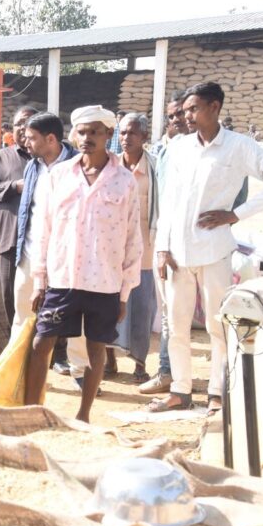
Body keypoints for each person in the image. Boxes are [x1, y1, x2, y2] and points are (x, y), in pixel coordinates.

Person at [151, 82, 263, 414]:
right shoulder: (180, 147)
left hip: (214, 249)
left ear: (214, 107)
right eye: (185, 110)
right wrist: (162, 247)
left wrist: (236, 214)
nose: (187, 116)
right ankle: (180, 390)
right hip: (177, 253)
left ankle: (217, 391)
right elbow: (169, 201)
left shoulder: (239, 146)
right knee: (177, 325)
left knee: (218, 325)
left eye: (193, 109)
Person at [25, 105, 143, 423]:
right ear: (74, 134)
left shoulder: (125, 181)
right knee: (41, 342)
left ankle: (84, 415)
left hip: (104, 281)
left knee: (96, 349)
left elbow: (133, 237)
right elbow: (43, 229)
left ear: (108, 134)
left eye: (95, 132)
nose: (87, 138)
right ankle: (30, 412)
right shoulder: (59, 176)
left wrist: (124, 294)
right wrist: (39, 280)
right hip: (62, 278)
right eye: (81, 132)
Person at [13, 112, 90, 390]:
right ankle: (18, 372)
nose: (25, 142)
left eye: (31, 138)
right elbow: (30, 212)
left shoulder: (79, 166)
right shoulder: (33, 166)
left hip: (67, 257)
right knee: (23, 315)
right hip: (31, 253)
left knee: (75, 317)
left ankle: (81, 371)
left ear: (51, 139)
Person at [140, 91, 189, 396]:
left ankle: (217, 386)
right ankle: (168, 373)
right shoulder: (165, 151)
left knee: (213, 319)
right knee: (170, 314)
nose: (177, 120)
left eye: (181, 113)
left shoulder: (218, 149)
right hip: (166, 242)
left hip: (204, 243)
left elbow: (238, 194)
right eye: (171, 116)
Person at [109, 113, 159, 383]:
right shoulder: (110, 166)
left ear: (144, 137)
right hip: (111, 252)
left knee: (141, 309)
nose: (126, 138)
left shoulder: (156, 169)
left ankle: (140, 364)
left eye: (132, 133)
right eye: (123, 133)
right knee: (107, 307)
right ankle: (109, 362)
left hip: (144, 252)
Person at [0, 105, 37, 327]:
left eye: (27, 122)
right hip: (11, 240)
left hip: (43, 243)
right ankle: (15, 342)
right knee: (10, 296)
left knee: (45, 298)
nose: (22, 128)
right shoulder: (1, 158)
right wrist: (14, 187)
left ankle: (52, 345)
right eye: (18, 124)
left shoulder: (49, 159)